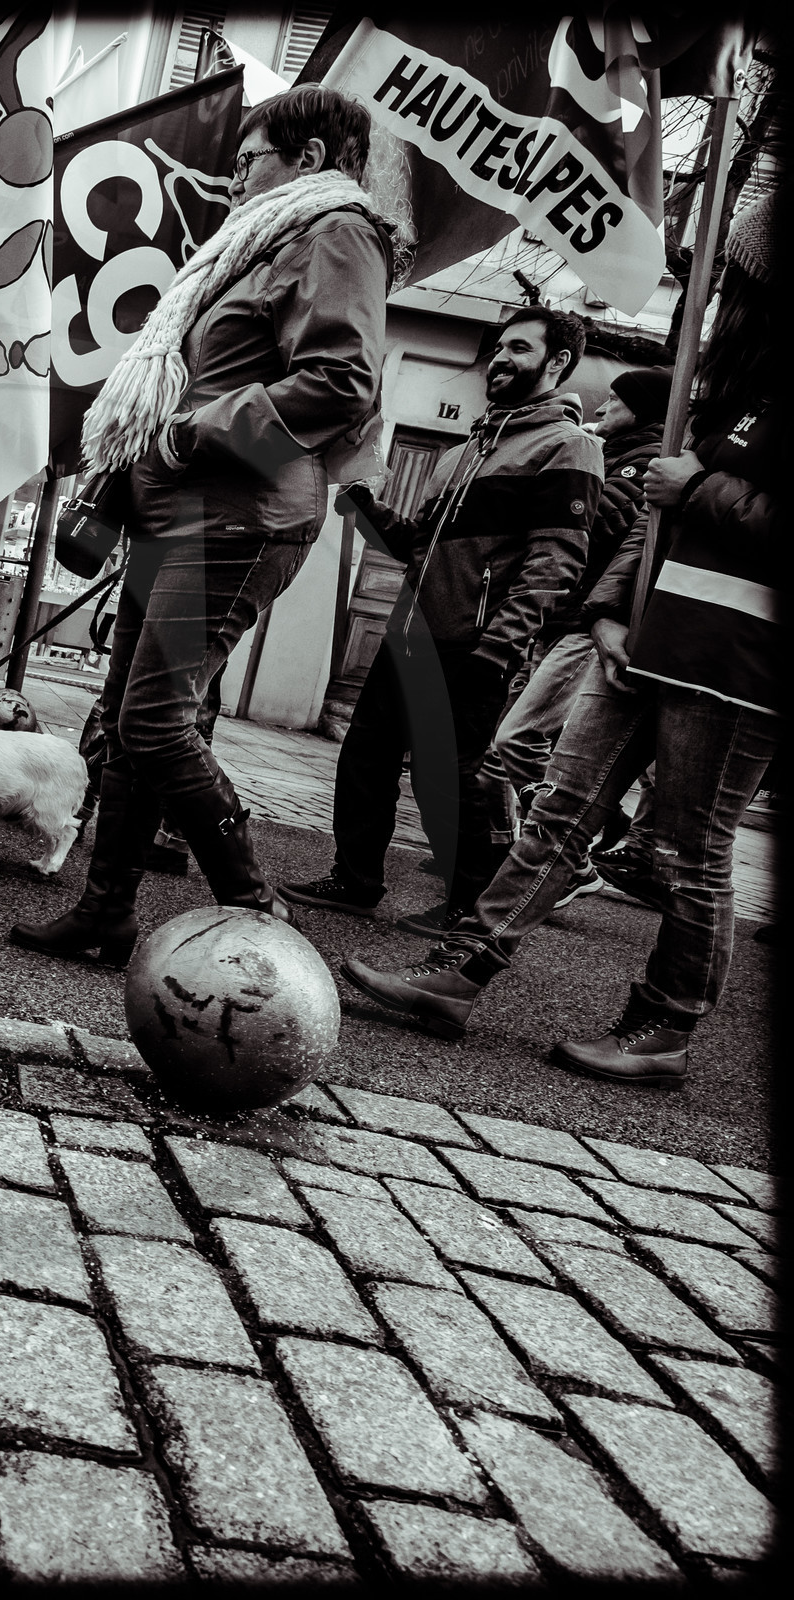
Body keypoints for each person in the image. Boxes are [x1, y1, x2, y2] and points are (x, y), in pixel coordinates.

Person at [340, 196, 779, 1086]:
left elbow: (702, 507)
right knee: (556, 815)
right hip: (648, 638)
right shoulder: (728, 386)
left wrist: (697, 489)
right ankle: (459, 974)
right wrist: (612, 610)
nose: (716, 294)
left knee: (691, 852)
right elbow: (646, 532)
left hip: (735, 662)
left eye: (731, 278)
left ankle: (665, 1027)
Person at [11, 85, 399, 966]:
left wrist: (188, 430)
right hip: (178, 514)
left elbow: (343, 382)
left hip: (236, 520)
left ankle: (257, 918)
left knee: (153, 722)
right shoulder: (251, 248)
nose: (234, 175)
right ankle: (107, 912)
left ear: (309, 159)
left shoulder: (336, 234)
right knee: (123, 719)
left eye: (250, 157)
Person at [280, 305, 603, 938]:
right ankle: (356, 879)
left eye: (518, 348)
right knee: (367, 755)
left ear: (556, 362)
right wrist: (366, 508)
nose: (500, 359)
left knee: (450, 775)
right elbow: (417, 544)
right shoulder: (465, 451)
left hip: (473, 643)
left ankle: (467, 907)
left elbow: (555, 559)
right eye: (498, 348)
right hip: (410, 631)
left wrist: (500, 646)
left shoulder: (569, 446)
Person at [482, 364, 670, 903]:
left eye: (616, 399)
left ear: (645, 409)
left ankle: (577, 850)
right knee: (506, 746)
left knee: (515, 739)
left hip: (588, 625)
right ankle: (513, 852)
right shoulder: (613, 456)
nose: (603, 407)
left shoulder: (639, 464)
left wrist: (564, 482)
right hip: (561, 617)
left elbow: (595, 525)